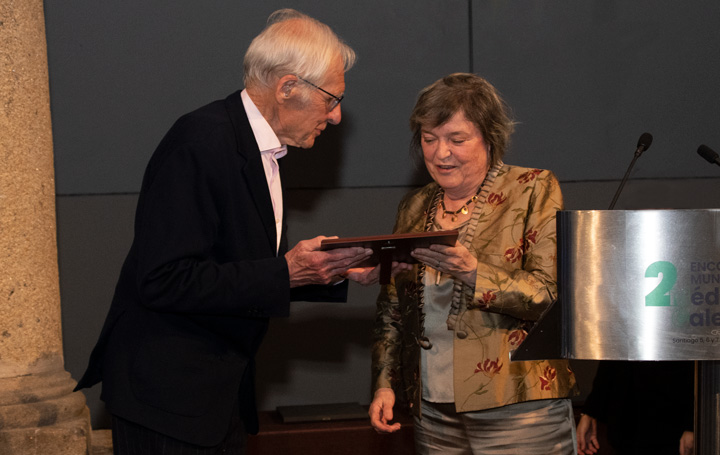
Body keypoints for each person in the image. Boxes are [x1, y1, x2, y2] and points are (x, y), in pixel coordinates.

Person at [75, 9, 395, 454]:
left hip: (214, 396)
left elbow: (238, 266)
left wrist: (330, 268)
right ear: (286, 88)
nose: (337, 116)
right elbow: (164, 279)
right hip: (169, 400)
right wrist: (287, 272)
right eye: (331, 99)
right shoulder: (200, 143)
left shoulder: (259, 147)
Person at [368, 73, 579, 454]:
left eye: (456, 139)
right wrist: (384, 383)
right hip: (432, 410)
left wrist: (473, 272)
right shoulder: (415, 206)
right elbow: (392, 307)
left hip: (519, 406)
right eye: (429, 139)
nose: (439, 153)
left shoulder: (532, 188)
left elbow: (551, 297)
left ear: (489, 137)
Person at [577, 361, 694, 455]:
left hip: (670, 422)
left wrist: (693, 423)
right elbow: (612, 353)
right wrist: (590, 412)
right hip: (624, 423)